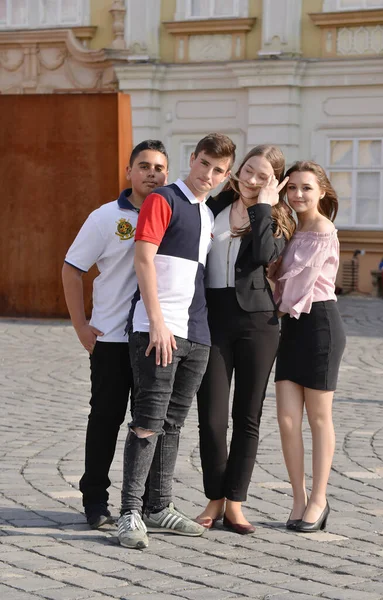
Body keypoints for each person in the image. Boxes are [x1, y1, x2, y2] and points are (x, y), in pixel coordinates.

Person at [118, 133, 237, 550]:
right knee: (148, 421)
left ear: (226, 177)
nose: (209, 175)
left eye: (219, 171)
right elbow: (144, 259)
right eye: (204, 164)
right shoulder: (162, 199)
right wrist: (156, 322)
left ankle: (160, 506)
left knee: (172, 424)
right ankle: (130, 511)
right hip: (159, 329)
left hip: (197, 334)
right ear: (193, 159)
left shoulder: (206, 214)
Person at [62, 140, 169, 529]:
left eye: (159, 167)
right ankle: (95, 501)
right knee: (105, 420)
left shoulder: (174, 215)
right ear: (129, 172)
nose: (152, 173)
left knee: (151, 425)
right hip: (111, 339)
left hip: (156, 338)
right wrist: (80, 325)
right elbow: (72, 268)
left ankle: (143, 505)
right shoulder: (107, 217)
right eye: (144, 166)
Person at [195, 145, 295, 535]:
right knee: (212, 417)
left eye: (263, 176)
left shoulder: (279, 217)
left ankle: (234, 502)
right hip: (212, 317)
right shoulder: (216, 204)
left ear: (274, 181)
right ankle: (213, 497)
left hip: (257, 322)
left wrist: (265, 206)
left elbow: (265, 255)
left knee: (246, 416)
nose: (252, 180)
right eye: (249, 170)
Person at [272, 161, 346, 533]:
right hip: (293, 328)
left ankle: (320, 498)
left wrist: (271, 281)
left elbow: (296, 287)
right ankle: (298, 497)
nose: (298, 194)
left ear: (322, 193)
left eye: (306, 188)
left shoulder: (321, 230)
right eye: (292, 188)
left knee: (318, 418)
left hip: (319, 325)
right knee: (286, 420)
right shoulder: (290, 230)